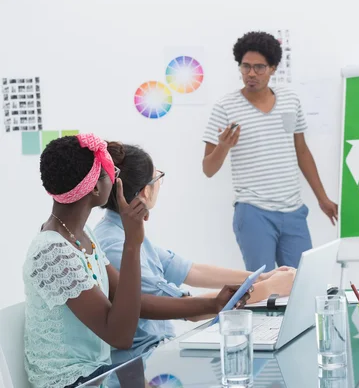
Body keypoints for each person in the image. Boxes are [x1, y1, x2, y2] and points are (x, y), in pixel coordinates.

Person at [23, 134, 247, 388]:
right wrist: (132, 243)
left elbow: (135, 303)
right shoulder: (53, 252)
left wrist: (213, 304)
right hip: (75, 382)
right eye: (110, 172)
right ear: (96, 188)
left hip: (99, 373)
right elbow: (120, 336)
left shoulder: (81, 235)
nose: (116, 176)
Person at [94, 142, 296, 363]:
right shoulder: (115, 244)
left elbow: (192, 270)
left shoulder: (120, 230)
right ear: (145, 191)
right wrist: (269, 288)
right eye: (157, 177)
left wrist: (261, 278)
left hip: (157, 354)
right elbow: (187, 309)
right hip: (142, 362)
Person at [202, 31, 338, 272]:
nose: (251, 74)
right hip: (253, 211)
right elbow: (208, 169)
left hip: (293, 211)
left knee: (302, 282)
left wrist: (322, 198)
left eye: (259, 67)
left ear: (273, 68)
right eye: (245, 67)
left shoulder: (290, 100)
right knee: (262, 288)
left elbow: (302, 151)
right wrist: (223, 146)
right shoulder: (225, 107)